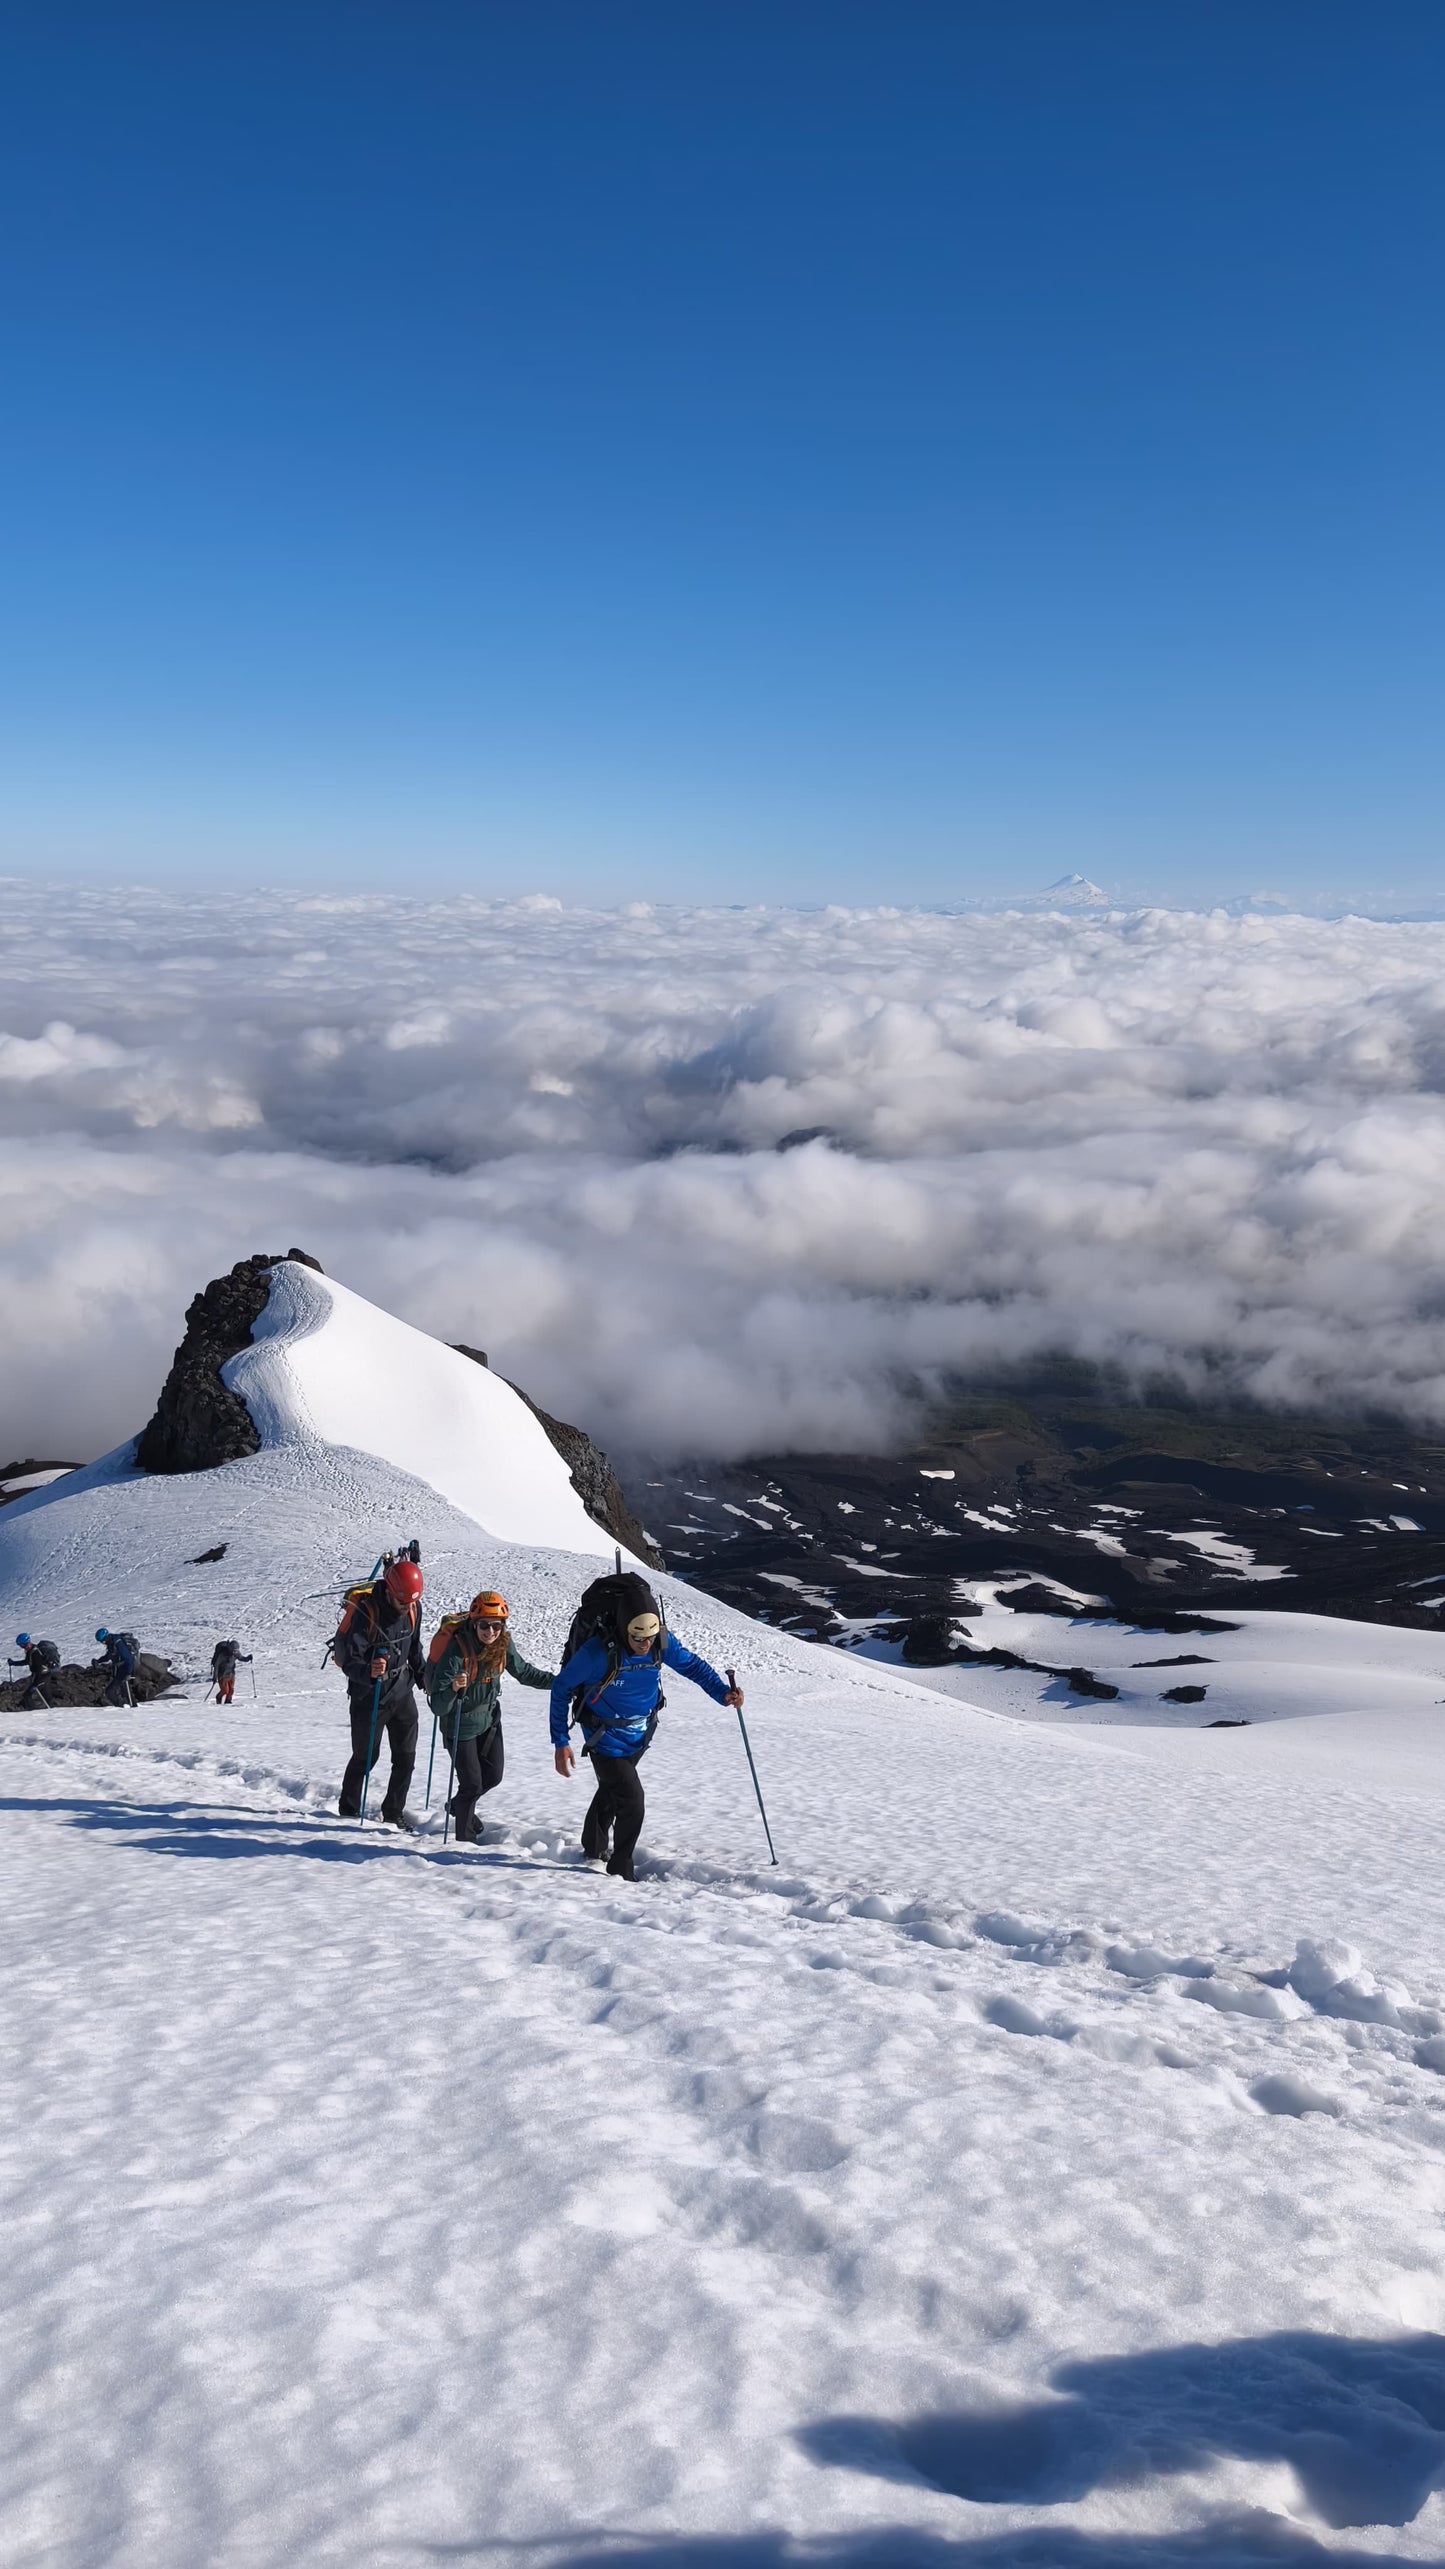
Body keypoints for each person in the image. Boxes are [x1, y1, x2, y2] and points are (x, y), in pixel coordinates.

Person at [550, 1592, 742, 1880]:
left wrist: (722, 1693)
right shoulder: (597, 1652)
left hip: (639, 1734)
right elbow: (561, 1688)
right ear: (624, 1629)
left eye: (650, 1638)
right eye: (638, 1638)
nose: (645, 1644)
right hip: (603, 1736)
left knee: (613, 1790)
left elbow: (692, 1666)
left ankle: (593, 1845)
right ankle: (621, 1869)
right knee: (632, 1799)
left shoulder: (661, 1642)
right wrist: (561, 1741)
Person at [427, 1590, 554, 1843]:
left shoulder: (503, 1645)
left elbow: (524, 1672)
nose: (490, 1631)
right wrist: (453, 1688)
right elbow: (438, 1706)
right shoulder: (456, 1651)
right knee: (472, 1784)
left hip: (489, 1721)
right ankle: (465, 1841)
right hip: (459, 1725)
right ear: (474, 1623)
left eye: (497, 1625)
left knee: (492, 1776)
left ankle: (460, 1806)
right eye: (484, 1625)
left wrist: (560, 1683)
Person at [332, 1558, 426, 1829]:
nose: (407, 1607)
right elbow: (350, 1662)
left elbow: (414, 1649)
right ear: (389, 1592)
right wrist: (369, 1671)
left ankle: (394, 1813)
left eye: (411, 1602)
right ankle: (348, 1810)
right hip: (368, 1697)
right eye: (402, 1602)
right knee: (365, 1757)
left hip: (402, 1692)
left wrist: (425, 1681)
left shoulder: (413, 1608)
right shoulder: (366, 1613)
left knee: (406, 1758)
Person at [8, 1633, 60, 1706]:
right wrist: (14, 1663)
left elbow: (39, 1669)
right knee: (45, 1696)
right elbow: (27, 1661)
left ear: (24, 1643)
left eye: (20, 1644)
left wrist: (35, 1684)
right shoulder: (31, 1650)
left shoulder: (35, 1652)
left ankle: (34, 1713)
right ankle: (49, 1712)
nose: (20, 1646)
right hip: (42, 1675)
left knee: (30, 1695)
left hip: (43, 1676)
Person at [94, 1627, 140, 1707]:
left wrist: (128, 1672)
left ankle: (125, 1708)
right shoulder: (112, 1643)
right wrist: (98, 1661)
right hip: (121, 1670)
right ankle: (127, 1708)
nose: (102, 1643)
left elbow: (128, 1658)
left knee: (111, 1691)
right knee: (122, 1691)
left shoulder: (118, 1643)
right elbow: (108, 1656)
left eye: (102, 1640)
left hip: (125, 1670)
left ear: (105, 1637)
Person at [210, 1638, 252, 1704]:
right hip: (222, 1675)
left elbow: (241, 1658)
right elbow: (216, 1665)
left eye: (236, 1650)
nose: (235, 1652)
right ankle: (218, 1698)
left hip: (231, 1673)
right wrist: (215, 1677)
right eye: (234, 1650)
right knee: (225, 1691)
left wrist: (248, 1658)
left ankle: (228, 1702)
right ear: (230, 1648)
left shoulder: (236, 1653)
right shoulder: (222, 1655)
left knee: (231, 1690)